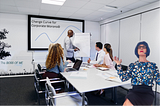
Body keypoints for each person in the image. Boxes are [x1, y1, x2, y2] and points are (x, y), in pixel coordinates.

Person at [114, 41, 160, 106]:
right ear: (136, 50)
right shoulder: (132, 65)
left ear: (147, 50)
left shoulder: (152, 65)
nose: (141, 48)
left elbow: (159, 81)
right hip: (135, 91)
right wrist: (118, 65)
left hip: (147, 92)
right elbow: (123, 78)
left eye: (143, 47)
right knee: (126, 104)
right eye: (139, 47)